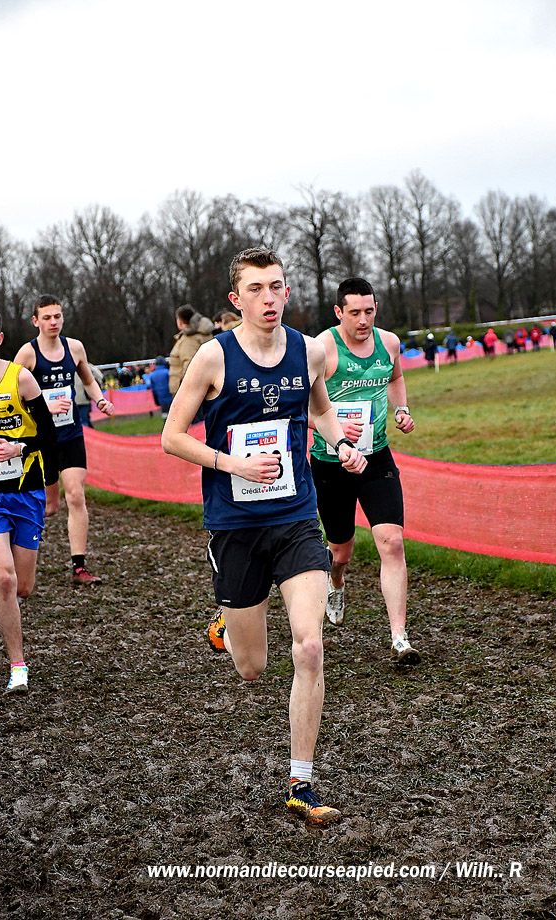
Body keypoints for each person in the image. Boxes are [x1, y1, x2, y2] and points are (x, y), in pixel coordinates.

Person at [162, 247, 366, 826]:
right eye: (256, 289)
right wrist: (233, 464)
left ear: (287, 291)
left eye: (276, 286)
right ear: (237, 299)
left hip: (296, 518)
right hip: (235, 525)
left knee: (309, 646)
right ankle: (228, 625)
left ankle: (301, 783)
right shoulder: (212, 357)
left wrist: (341, 445)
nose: (269, 298)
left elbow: (320, 411)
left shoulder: (308, 350)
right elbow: (172, 437)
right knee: (252, 668)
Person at [309, 278, 420, 667]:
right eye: (354, 312)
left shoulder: (389, 343)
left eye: (369, 311)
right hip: (331, 463)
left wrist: (401, 409)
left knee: (392, 542)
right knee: (341, 550)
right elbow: (299, 408)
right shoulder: (321, 349)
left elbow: (396, 377)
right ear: (338, 312)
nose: (363, 320)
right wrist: (335, 427)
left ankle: (399, 637)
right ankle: (336, 579)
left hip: (376, 459)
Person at [0, 303, 56, 694]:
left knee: (22, 586)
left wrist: (19, 448)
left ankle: (4, 585)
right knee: (4, 577)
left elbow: (50, 436)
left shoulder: (20, 378)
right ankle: (17, 666)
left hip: (25, 492)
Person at [14, 295, 114, 585]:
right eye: (47, 317)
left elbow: (88, 380)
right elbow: (12, 397)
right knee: (49, 506)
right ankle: (11, 547)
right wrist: (45, 404)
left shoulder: (75, 348)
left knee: (76, 495)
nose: (53, 322)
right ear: (36, 321)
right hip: (41, 439)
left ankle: (79, 568)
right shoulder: (27, 354)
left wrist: (100, 400)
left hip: (71, 434)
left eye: (57, 316)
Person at [168, 305, 214, 397]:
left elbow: (189, 365)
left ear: (180, 321)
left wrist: (186, 391)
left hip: (188, 393)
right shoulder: (205, 334)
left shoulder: (189, 340)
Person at [74, 362, 104, 428]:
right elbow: (99, 375)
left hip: (70, 400)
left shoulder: (66, 366)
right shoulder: (85, 365)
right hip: (84, 399)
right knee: (84, 421)